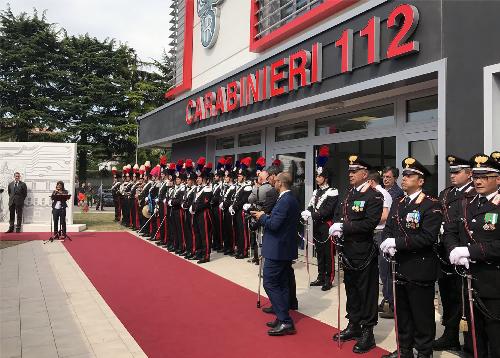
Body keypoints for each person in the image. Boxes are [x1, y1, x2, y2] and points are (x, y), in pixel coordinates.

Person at [380, 157, 442, 358]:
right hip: (399, 267)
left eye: (409, 175)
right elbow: (388, 228)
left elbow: (427, 237)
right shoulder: (398, 203)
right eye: (404, 175)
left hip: (419, 268)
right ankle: (404, 350)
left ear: (421, 181)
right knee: (403, 314)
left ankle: (424, 352)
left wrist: (397, 243)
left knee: (421, 315)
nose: (404, 179)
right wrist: (386, 242)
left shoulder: (431, 205)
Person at [444, 153, 500, 358]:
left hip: (493, 281)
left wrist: (470, 251)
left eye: (485, 176)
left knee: (495, 335)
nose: (478, 180)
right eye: (476, 176)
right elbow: (450, 230)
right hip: (468, 280)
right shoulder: (465, 203)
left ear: (498, 179)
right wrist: (453, 250)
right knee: (472, 336)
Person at [329, 155, 383, 354]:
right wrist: (337, 225)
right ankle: (354, 324)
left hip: (363, 250)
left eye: (354, 171)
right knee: (351, 289)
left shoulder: (374, 195)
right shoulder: (349, 193)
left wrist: (344, 226)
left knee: (366, 292)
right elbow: (340, 214)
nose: (350, 174)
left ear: (365, 173)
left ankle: (368, 332)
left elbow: (369, 223)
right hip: (348, 250)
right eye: (349, 171)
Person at [251, 172, 300, 336]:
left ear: (280, 182)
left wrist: (262, 216)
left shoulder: (285, 200)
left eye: (275, 180)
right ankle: (282, 316)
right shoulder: (289, 198)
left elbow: (274, 224)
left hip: (278, 249)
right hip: (283, 248)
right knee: (282, 284)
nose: (273, 182)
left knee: (270, 283)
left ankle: (285, 321)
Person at [434, 155, 474, 352]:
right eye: (451, 172)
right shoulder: (445, 193)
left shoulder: (474, 193)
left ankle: (470, 343)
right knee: (448, 295)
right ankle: (450, 335)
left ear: (469, 174)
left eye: (457, 172)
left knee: (465, 300)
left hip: (464, 253)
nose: (452, 175)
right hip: (445, 252)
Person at [302, 145, 339, 291]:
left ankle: (329, 279)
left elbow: (327, 210)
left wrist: (312, 214)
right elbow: (311, 206)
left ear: (326, 178)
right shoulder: (316, 192)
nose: (317, 178)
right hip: (317, 225)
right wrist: (306, 212)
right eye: (317, 176)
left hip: (327, 225)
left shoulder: (332, 191)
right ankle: (320, 276)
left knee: (328, 253)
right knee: (319, 252)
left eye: (319, 176)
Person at [367, 170, 394, 319]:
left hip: (381, 234)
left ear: (371, 182)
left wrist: (366, 221)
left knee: (385, 271)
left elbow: (384, 217)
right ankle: (385, 300)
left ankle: (389, 303)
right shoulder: (372, 193)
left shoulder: (383, 193)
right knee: (377, 271)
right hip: (373, 233)